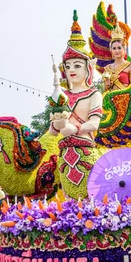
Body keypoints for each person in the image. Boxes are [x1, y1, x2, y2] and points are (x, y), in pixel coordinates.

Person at [49, 11, 103, 199]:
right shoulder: (63, 96)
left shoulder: (94, 94)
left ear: (88, 69)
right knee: (70, 202)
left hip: (85, 151)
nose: (72, 70)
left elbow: (94, 124)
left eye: (77, 65)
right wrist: (57, 124)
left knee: (90, 200)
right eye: (68, 66)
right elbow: (53, 132)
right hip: (65, 155)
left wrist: (74, 128)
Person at [102, 21, 131, 92]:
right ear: (111, 50)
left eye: (119, 48)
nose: (117, 51)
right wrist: (107, 85)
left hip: (125, 99)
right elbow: (105, 89)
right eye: (114, 48)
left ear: (124, 49)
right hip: (110, 99)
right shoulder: (107, 68)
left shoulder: (130, 66)